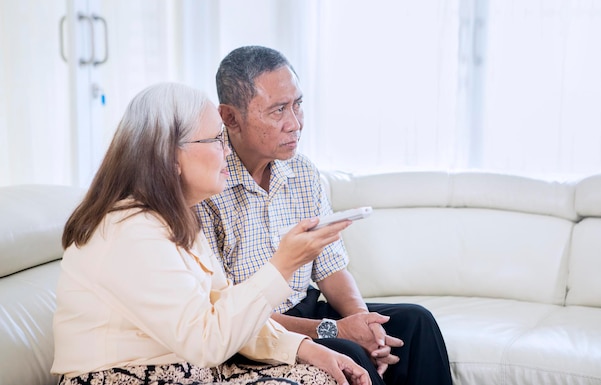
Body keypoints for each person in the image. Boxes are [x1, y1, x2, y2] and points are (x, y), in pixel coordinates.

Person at [51, 82, 372, 385]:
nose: (228, 153)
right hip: (122, 376)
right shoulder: (132, 231)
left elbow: (220, 312)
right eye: (216, 140)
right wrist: (283, 265)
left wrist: (303, 347)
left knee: (327, 371)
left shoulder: (173, 219)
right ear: (170, 155)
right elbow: (207, 342)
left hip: (183, 368)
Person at [196, 46, 454, 385]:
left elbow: (331, 269)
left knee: (416, 323)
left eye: (298, 104)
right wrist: (337, 330)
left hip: (305, 309)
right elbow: (227, 316)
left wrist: (364, 323)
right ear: (230, 117)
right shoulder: (206, 188)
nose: (295, 123)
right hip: (252, 331)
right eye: (278, 111)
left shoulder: (302, 172)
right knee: (351, 354)